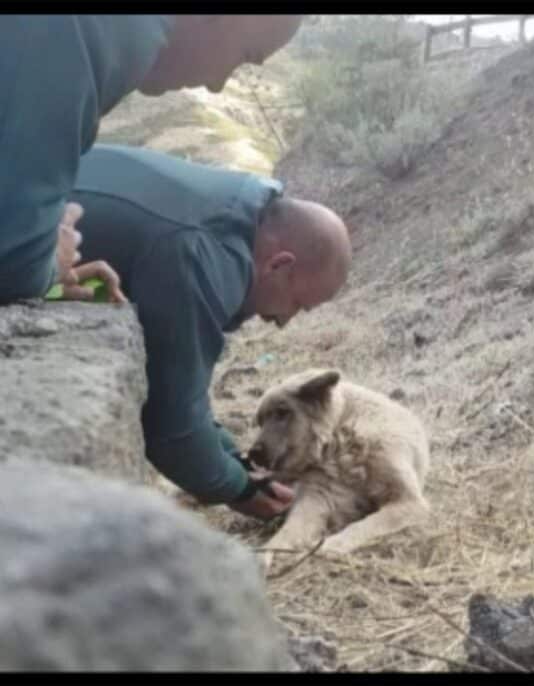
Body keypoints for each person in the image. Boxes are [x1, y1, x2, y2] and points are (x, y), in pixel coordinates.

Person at [71, 143, 351, 519]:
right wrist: (237, 489)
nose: (284, 321)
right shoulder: (199, 255)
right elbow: (170, 427)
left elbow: (182, 389)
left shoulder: (234, 213)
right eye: (297, 304)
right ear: (279, 265)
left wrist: (236, 462)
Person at [0, 15, 302, 306]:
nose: (218, 83)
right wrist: (51, 262)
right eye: (243, 55)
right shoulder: (89, 39)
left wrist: (46, 274)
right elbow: (14, 263)